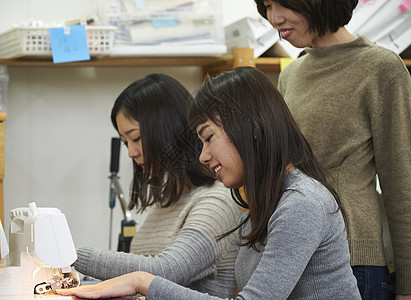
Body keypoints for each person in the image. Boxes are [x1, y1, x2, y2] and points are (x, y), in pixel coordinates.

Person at [58, 67, 361, 299]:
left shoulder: (301, 203)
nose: (203, 155)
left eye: (208, 138)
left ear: (251, 128)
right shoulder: (264, 203)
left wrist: (141, 281)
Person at [255, 0, 411, 299]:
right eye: (266, 6)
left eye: (282, 4)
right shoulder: (292, 74)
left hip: (355, 263)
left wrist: (408, 283)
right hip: (293, 256)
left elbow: (401, 183)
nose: (273, 18)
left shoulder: (382, 68)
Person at [72, 73, 242, 298]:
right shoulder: (168, 201)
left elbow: (166, 271)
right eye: (125, 143)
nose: (131, 152)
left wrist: (71, 255)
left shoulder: (217, 202)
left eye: (137, 138)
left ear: (167, 129)